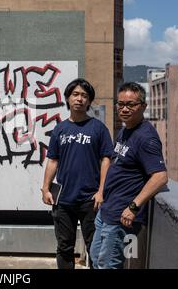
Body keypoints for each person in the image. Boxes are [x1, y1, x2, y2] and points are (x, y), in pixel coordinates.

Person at [90, 82, 168, 269]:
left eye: (130, 105)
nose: (124, 109)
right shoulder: (125, 130)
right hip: (107, 209)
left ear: (143, 106)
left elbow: (160, 176)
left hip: (120, 214)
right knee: (95, 258)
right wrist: (102, 192)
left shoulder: (146, 138)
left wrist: (133, 206)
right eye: (121, 104)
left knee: (108, 265)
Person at [41, 78, 113, 269]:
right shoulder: (60, 129)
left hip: (91, 199)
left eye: (84, 95)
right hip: (63, 200)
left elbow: (107, 159)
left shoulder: (98, 128)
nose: (79, 99)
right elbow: (53, 160)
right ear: (67, 98)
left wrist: (101, 191)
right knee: (64, 247)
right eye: (75, 94)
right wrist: (45, 187)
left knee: (95, 248)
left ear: (89, 101)